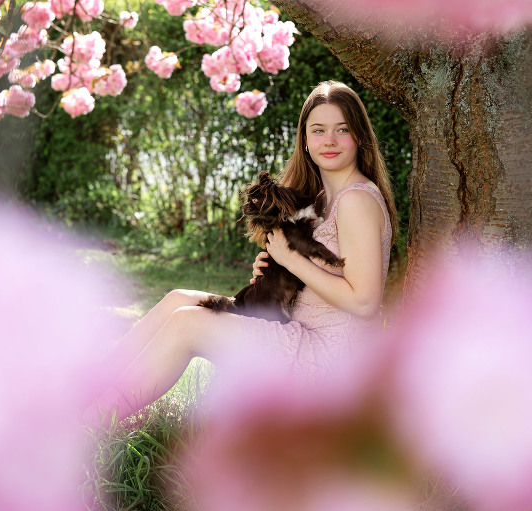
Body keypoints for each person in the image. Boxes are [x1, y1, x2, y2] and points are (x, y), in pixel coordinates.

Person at [90, 81, 398, 423]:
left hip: (331, 363)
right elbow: (324, 278)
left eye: (342, 129)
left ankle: (89, 425)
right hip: (301, 336)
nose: (329, 140)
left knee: (187, 323)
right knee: (180, 299)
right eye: (318, 130)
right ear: (306, 141)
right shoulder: (323, 199)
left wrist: (290, 258)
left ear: (359, 136)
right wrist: (275, 273)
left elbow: (365, 302)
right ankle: (86, 393)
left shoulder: (356, 201)